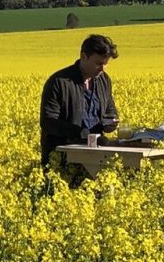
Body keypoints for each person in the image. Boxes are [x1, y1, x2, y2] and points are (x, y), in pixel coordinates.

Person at [39, 34, 120, 165]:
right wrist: (80, 133)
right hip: (64, 157)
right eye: (98, 63)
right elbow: (48, 122)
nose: (102, 69)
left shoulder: (104, 80)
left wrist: (110, 123)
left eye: (105, 64)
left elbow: (110, 110)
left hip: (96, 155)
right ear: (83, 56)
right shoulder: (59, 82)